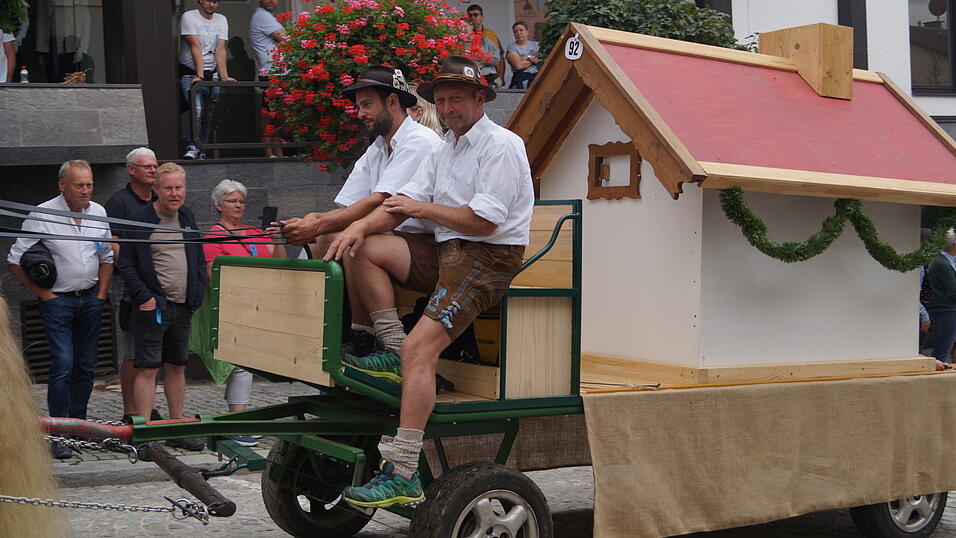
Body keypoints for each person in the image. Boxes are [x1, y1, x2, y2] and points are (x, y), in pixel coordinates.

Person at [327, 56, 533, 507]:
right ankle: (386, 345)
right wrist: (358, 227)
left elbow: (481, 222)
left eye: (457, 97)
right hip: (448, 252)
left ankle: (403, 471)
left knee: (422, 349)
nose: (448, 107)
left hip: (488, 258)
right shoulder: (445, 147)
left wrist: (419, 210)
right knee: (359, 244)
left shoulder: (503, 145)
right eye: (440, 100)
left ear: (481, 98)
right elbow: (408, 198)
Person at [277, 65, 443, 351]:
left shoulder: (420, 141)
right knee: (324, 237)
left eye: (367, 105)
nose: (359, 113)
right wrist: (313, 222)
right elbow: (348, 206)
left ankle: (384, 342)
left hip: (435, 248)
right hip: (400, 245)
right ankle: (309, 330)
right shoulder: (379, 146)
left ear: (392, 101)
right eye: (359, 106)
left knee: (355, 239)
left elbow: (380, 201)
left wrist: (318, 223)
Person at [7, 160, 113, 459]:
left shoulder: (98, 212)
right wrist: (45, 294)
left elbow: (106, 255)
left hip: (91, 298)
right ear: (62, 184)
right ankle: (59, 434)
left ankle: (81, 429)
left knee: (87, 367)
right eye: (79, 185)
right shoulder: (43, 213)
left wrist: (102, 295)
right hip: (59, 302)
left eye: (89, 184)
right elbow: (15, 259)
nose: (85, 190)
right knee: (64, 364)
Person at [117, 162, 207, 451]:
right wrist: (145, 297)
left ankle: (176, 427)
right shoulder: (140, 218)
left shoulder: (187, 216)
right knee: (147, 368)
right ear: (156, 189)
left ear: (186, 189)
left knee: (178, 365)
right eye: (168, 187)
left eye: (179, 187)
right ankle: (144, 437)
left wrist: (197, 293)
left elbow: (197, 255)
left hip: (183, 306)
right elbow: (127, 264)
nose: (174, 193)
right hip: (152, 307)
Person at [195, 179, 286, 447]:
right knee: (239, 365)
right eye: (232, 201)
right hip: (234, 307)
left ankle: (240, 419)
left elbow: (279, 262)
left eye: (241, 201)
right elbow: (213, 277)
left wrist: (278, 239)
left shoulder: (253, 231)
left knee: (248, 365)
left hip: (260, 306)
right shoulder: (213, 236)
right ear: (218, 205)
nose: (238, 206)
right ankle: (237, 421)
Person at [105, 147, 160, 420]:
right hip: (130, 285)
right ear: (131, 169)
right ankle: (130, 411)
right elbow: (113, 244)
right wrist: (136, 271)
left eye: (154, 166)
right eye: (146, 166)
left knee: (152, 352)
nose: (152, 170)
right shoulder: (119, 202)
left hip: (159, 286)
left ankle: (146, 406)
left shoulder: (159, 199)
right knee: (132, 351)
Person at [179, 0, 236, 160]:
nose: (212, 4)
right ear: (201, 1)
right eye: (209, 0)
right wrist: (200, 75)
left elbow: (220, 49)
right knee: (197, 111)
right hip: (191, 73)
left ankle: (202, 148)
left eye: (216, 1)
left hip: (213, 73)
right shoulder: (189, 17)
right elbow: (194, 47)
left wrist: (224, 76)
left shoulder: (221, 19)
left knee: (210, 114)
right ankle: (192, 146)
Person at [249, 0, 287, 158]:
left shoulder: (269, 17)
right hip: (272, 73)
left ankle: (277, 152)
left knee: (276, 114)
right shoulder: (262, 16)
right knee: (267, 112)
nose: (272, 1)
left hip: (279, 72)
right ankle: (268, 152)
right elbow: (284, 38)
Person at [927, 228, 956, 366]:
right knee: (941, 352)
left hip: (947, 311)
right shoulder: (942, 263)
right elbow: (953, 290)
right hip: (946, 312)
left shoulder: (944, 260)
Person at [466, 4, 504, 84]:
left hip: (490, 77)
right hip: (471, 77)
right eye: (470, 15)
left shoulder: (491, 35)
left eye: (475, 15)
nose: (472, 17)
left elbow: (500, 57)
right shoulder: (464, 38)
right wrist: (486, 57)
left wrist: (501, 77)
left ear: (482, 17)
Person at [506, 21, 539, 89]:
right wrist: (532, 59)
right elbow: (518, 66)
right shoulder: (511, 48)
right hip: (521, 81)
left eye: (521, 30)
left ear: (527, 32)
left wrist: (524, 58)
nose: (518, 33)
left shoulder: (537, 45)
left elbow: (542, 60)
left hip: (538, 80)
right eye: (515, 31)